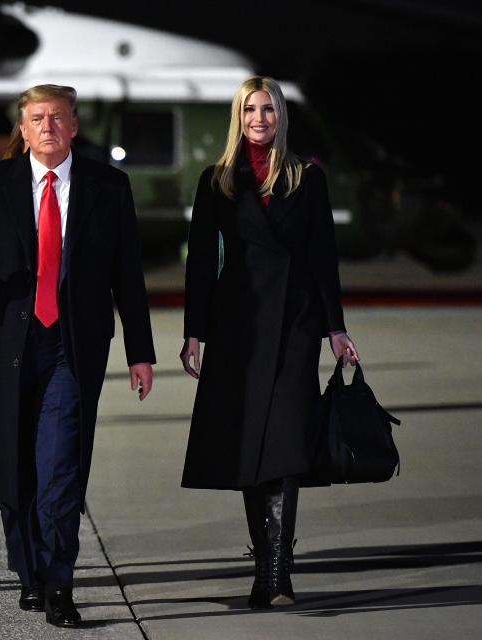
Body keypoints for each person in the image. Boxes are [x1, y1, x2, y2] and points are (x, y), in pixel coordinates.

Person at [0, 84, 156, 627]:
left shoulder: (108, 187)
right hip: (5, 348)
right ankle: (28, 572)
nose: (46, 126)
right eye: (35, 118)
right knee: (15, 468)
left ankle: (58, 584)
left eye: (57, 117)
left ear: (74, 126)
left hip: (70, 348)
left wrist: (140, 352)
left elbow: (129, 276)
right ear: (22, 129)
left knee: (60, 470)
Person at [179, 76, 359, 609]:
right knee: (245, 447)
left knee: (281, 444)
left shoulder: (308, 179)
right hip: (237, 325)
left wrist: (335, 327)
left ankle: (277, 575)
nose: (260, 118)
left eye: (269, 110)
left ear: (282, 117)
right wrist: (195, 331)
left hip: (296, 323)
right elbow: (200, 264)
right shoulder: (217, 181)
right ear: (239, 117)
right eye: (251, 109)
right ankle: (266, 563)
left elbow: (324, 258)